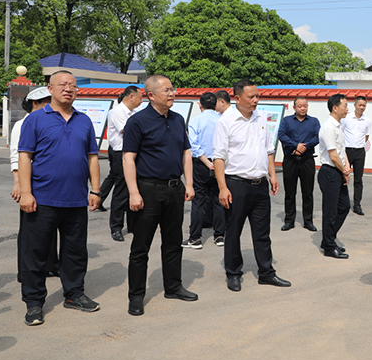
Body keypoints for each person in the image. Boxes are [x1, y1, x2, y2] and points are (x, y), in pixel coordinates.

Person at [18, 70, 102, 326]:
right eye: (63, 85)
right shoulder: (35, 119)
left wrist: (96, 190)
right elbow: (25, 156)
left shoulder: (84, 121)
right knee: (36, 253)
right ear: (50, 89)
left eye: (73, 86)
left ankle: (74, 294)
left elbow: (92, 157)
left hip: (76, 199)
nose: (68, 89)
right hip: (41, 199)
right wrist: (26, 192)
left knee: (75, 252)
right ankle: (34, 303)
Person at [122, 75, 198, 316]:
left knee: (174, 241)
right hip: (148, 189)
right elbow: (128, 158)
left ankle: (173, 286)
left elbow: (186, 152)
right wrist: (133, 192)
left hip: (175, 189)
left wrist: (189, 184)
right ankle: (136, 296)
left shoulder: (177, 119)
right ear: (151, 95)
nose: (172, 93)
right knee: (141, 246)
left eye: (173, 89)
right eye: (166, 90)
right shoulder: (138, 122)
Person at [213, 80, 291, 292]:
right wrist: (222, 187)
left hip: (260, 185)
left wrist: (272, 175)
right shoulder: (225, 121)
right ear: (237, 98)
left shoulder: (261, 117)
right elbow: (218, 157)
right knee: (233, 231)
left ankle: (266, 272)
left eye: (257, 96)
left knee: (262, 232)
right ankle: (233, 273)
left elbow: (268, 149)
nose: (256, 100)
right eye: (251, 97)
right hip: (236, 184)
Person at [10, 87, 57, 283]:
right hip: (30, 184)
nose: (50, 105)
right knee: (29, 230)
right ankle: (25, 270)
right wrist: (18, 184)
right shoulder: (23, 124)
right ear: (35, 104)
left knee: (51, 226)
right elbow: (17, 157)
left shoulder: (52, 121)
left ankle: (52, 265)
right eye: (46, 102)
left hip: (49, 183)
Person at [98, 85, 141, 241]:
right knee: (121, 191)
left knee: (134, 189)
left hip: (134, 153)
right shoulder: (117, 112)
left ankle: (133, 224)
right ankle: (116, 227)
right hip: (120, 154)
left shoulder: (134, 114)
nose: (141, 101)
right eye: (140, 98)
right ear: (131, 96)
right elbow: (128, 131)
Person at [183, 92, 225, 249]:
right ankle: (219, 235)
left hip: (201, 164)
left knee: (198, 200)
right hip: (220, 164)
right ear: (215, 105)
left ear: (200, 105)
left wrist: (207, 163)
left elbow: (193, 145)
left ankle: (195, 238)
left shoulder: (195, 121)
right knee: (218, 199)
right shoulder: (222, 120)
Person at [278, 96, 320, 232]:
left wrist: (304, 147)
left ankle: (308, 221)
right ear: (294, 107)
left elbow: (318, 136)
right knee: (290, 192)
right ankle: (289, 220)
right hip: (290, 160)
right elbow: (281, 135)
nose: (303, 108)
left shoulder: (314, 121)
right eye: (300, 106)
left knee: (308, 192)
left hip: (307, 160)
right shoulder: (286, 121)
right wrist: (296, 146)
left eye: (305, 106)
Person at [318, 94, 351, 259]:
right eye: (345, 106)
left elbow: (341, 150)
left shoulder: (338, 125)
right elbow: (333, 155)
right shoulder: (329, 127)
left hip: (339, 171)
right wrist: (344, 170)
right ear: (335, 108)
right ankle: (329, 247)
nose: (348, 109)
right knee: (330, 212)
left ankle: (328, 239)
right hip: (330, 172)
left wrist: (347, 166)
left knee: (344, 206)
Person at [341, 96, 371, 215]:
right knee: (343, 176)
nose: (361, 107)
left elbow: (366, 136)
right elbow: (341, 133)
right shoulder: (346, 118)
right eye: (360, 105)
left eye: (364, 105)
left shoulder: (367, 121)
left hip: (359, 152)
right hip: (347, 151)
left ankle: (357, 205)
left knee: (358, 180)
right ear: (354, 105)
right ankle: (342, 203)